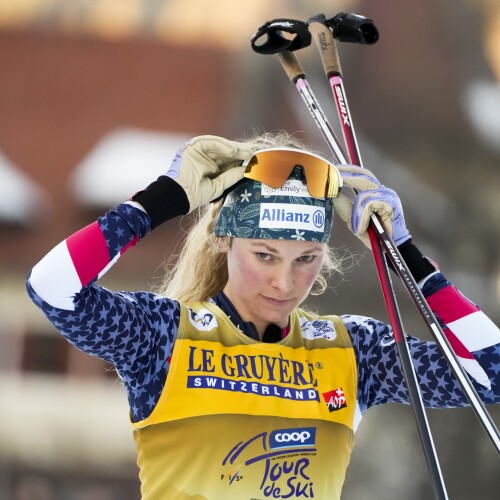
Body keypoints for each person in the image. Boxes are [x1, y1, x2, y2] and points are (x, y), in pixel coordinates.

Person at [27, 133, 500, 499]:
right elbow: (53, 287)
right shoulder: (164, 336)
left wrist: (405, 256)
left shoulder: (354, 351)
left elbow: (491, 371)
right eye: (265, 255)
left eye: (306, 259)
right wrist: (161, 199)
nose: (284, 282)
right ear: (223, 239)